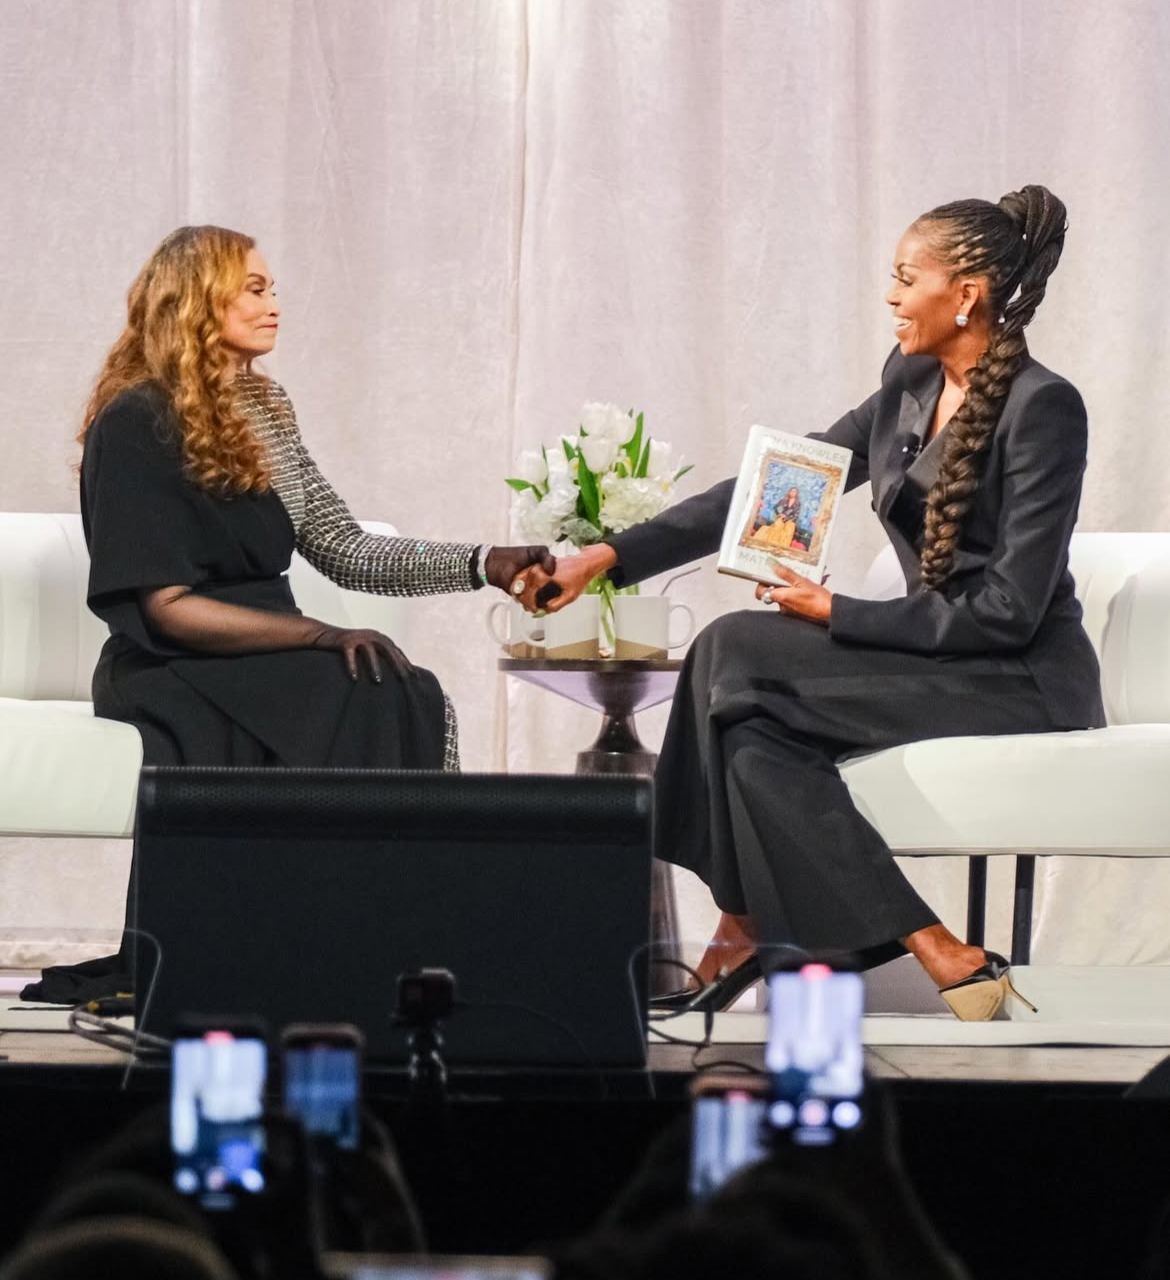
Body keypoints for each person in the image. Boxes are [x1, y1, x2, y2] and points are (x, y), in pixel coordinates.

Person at [515, 185, 1104, 1019]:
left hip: (1019, 677)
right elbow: (773, 487)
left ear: (965, 293)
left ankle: (747, 924)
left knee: (738, 664)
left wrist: (839, 614)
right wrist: (603, 559)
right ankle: (928, 946)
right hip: (932, 652)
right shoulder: (906, 382)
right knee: (743, 699)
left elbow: (1008, 610)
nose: (892, 297)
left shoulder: (1045, 408)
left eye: (907, 278)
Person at [21, 225, 552, 1005]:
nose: (274, 303)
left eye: (272, 287)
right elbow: (167, 609)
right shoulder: (135, 420)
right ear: (197, 299)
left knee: (404, 687)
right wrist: (320, 633)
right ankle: (323, 944)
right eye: (254, 287)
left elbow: (339, 544)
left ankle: (392, 935)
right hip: (173, 659)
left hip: (263, 644)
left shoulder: (265, 404)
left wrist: (487, 565)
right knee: (357, 683)